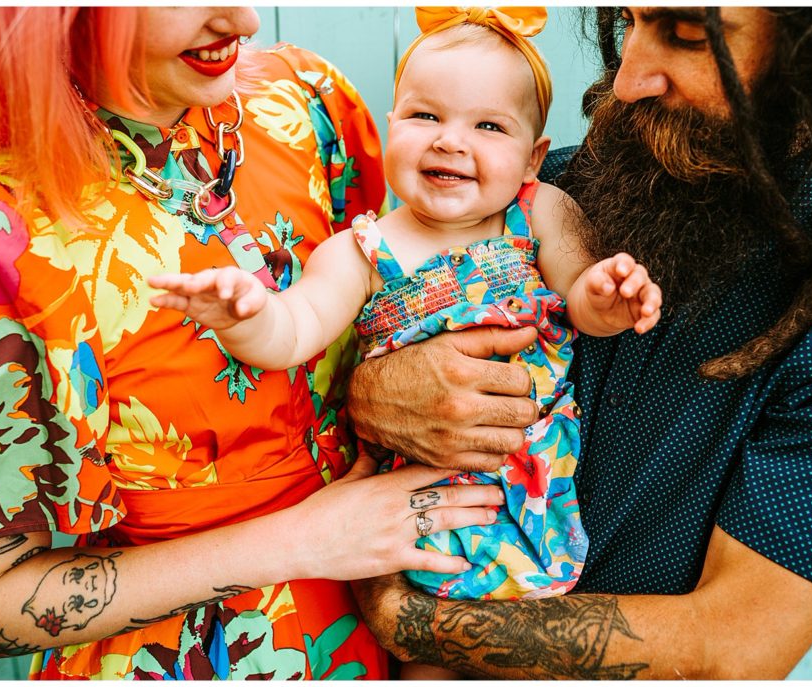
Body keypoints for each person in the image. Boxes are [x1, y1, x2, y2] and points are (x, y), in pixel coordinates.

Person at [347, 6, 812, 679]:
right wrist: (370, 388)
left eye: (686, 34)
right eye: (630, 20)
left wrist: (409, 620)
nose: (627, 79)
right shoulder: (531, 202)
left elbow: (733, 646)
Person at [0, 7, 506, 680]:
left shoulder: (309, 102)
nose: (242, 17)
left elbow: (406, 301)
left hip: (395, 615)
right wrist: (299, 542)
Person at [148, 1, 661, 639]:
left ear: (533, 159)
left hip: (530, 488)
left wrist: (610, 295)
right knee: (428, 648)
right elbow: (294, 332)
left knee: (526, 649)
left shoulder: (541, 213)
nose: (451, 139)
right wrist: (243, 316)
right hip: (416, 507)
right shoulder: (361, 251)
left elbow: (582, 301)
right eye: (425, 116)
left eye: (489, 127)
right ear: (392, 127)